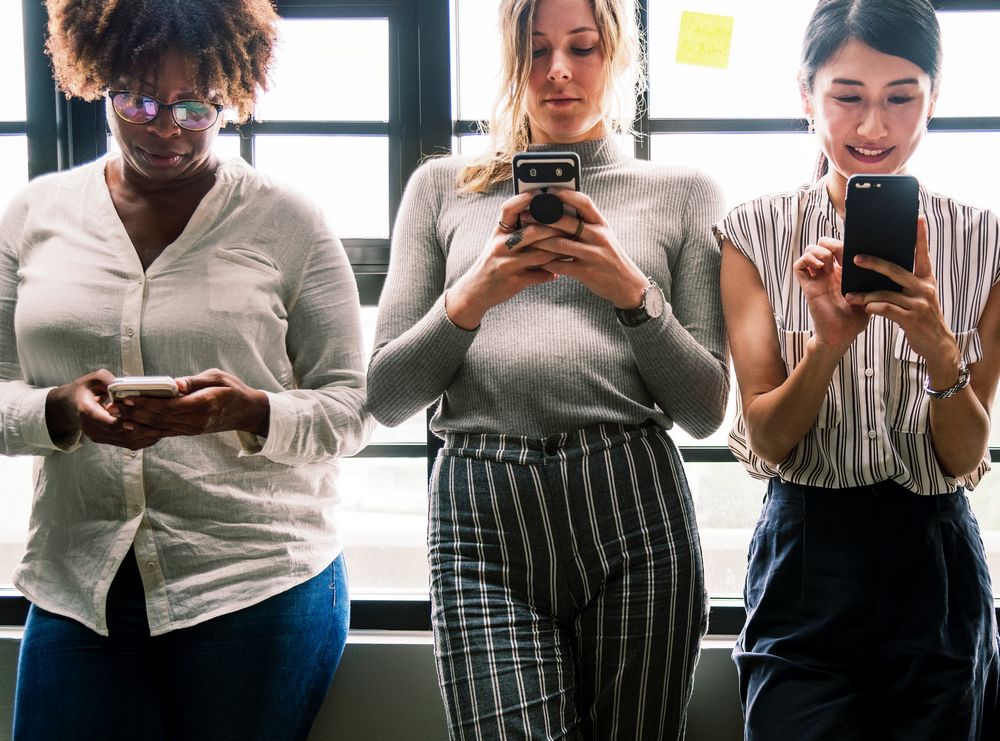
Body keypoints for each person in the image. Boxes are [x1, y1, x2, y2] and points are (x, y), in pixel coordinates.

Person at [2, 1, 373, 739]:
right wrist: (59, 408)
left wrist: (249, 412)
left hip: (256, 583)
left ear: (232, 94)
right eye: (138, 98)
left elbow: (353, 405)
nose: (165, 126)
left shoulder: (288, 221)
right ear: (99, 78)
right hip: (82, 584)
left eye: (195, 105)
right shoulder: (33, 215)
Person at [367, 0, 728, 736]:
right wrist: (473, 295)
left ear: (618, 57)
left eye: (583, 47)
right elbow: (386, 393)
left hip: (632, 500)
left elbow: (705, 407)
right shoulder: (442, 187)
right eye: (535, 51)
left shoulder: (684, 192)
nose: (559, 70)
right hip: (481, 508)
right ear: (509, 59)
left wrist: (631, 292)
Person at [715, 0, 1000, 738]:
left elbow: (966, 455)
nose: (874, 127)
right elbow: (768, 441)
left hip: (934, 554)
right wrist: (828, 344)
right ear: (806, 97)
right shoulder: (753, 231)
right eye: (848, 97)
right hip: (807, 546)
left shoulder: (987, 241)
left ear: (934, 100)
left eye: (901, 97)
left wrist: (938, 341)